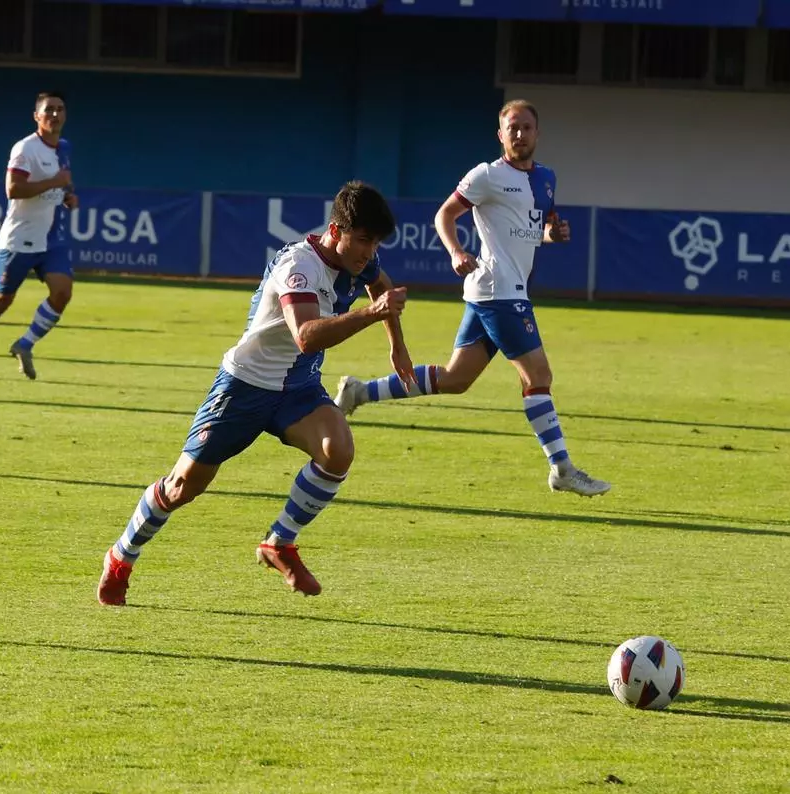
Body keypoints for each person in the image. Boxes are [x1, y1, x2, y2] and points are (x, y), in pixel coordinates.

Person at [98, 181, 415, 606]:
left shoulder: (359, 262)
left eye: (376, 242)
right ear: (337, 230)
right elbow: (306, 336)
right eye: (363, 240)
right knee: (182, 488)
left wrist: (396, 344)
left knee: (337, 449)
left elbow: (383, 286)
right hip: (244, 387)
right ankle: (122, 555)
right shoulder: (299, 267)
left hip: (297, 389)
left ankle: (279, 542)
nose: (370, 252)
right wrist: (372, 315)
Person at [334, 100, 610, 497]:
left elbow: (537, 232)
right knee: (539, 377)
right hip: (500, 292)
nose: (519, 134)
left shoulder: (546, 179)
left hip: (499, 293)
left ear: (537, 133)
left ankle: (360, 391)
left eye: (526, 127)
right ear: (500, 135)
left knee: (456, 379)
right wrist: (457, 252)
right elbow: (444, 215)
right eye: (511, 127)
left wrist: (554, 235)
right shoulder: (486, 176)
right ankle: (562, 468)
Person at [0, 90, 77, 380]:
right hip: (19, 238)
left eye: (60, 109)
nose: (55, 114)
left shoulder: (64, 147)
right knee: (1, 301)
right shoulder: (25, 149)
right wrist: (55, 182)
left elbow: (60, 186)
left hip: (51, 238)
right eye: (48, 109)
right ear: (37, 116)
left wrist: (67, 195)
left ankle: (24, 345)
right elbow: (13, 189)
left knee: (62, 292)